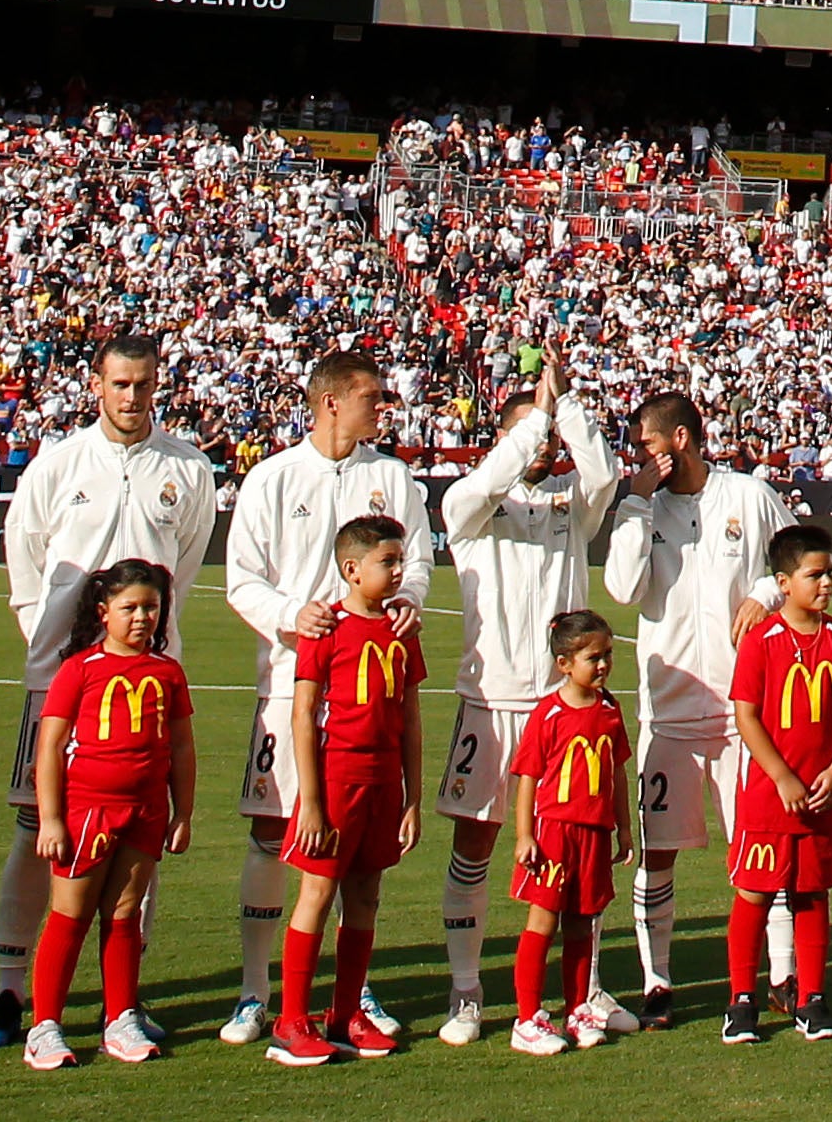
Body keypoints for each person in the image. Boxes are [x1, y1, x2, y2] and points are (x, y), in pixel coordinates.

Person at [0, 334, 218, 1059]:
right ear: (96, 385)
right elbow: (26, 563)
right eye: (120, 383)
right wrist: (47, 643)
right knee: (36, 829)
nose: (132, 396)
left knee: (141, 840)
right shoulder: (59, 463)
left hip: (143, 685)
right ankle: (11, 993)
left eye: (143, 384)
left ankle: (123, 1001)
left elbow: (184, 569)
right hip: (60, 682)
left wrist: (147, 643)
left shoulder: (187, 467)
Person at [218, 351, 423, 1048]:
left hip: (370, 694)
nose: (382, 407)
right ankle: (256, 991)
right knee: (275, 832)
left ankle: (349, 994)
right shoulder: (273, 477)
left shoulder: (392, 478)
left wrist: (407, 600)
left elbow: (418, 565)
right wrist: (291, 614)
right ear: (331, 401)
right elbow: (241, 577)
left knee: (356, 855)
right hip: (292, 684)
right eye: (372, 396)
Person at [432, 354, 624, 1043]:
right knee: (476, 844)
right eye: (529, 435)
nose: (542, 446)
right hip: (492, 703)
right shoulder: (470, 505)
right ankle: (465, 992)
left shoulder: (572, 503)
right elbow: (489, 480)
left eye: (548, 438)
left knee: (582, 852)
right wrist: (535, 419)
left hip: (566, 707)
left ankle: (584, 994)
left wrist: (563, 404)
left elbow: (605, 473)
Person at [601, 383, 796, 1023]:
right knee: (657, 851)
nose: (639, 455)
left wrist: (765, 591)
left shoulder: (747, 495)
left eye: (646, 445)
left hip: (745, 712)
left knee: (761, 847)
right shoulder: (642, 508)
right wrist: (634, 504)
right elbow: (623, 589)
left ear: (679, 440)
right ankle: (657, 981)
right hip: (670, 713)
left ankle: (782, 973)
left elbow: (798, 556)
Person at [270, 513, 433, 1063]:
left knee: (365, 895)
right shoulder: (325, 629)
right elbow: (303, 714)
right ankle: (291, 1019)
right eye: (387, 561)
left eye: (400, 560)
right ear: (351, 569)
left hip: (384, 782)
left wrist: (412, 798)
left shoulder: (401, 631)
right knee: (317, 894)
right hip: (338, 778)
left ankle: (344, 1015)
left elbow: (410, 719)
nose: (398, 571)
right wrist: (311, 803)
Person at [23, 557, 193, 1069]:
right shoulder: (79, 669)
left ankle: (120, 1018)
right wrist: (52, 819)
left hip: (145, 812)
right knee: (70, 915)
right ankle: (45, 1026)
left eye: (152, 608)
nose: (142, 618)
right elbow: (50, 746)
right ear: (104, 612)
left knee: (125, 913)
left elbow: (181, 747)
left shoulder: (167, 672)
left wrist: (182, 812)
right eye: (130, 608)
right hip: (87, 811)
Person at [723, 521, 832, 1046]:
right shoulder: (761, 641)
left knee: (811, 893)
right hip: (769, 798)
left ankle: (811, 999)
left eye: (830, 573)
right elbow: (746, 715)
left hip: (822, 796)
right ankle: (742, 1001)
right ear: (783, 583)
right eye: (814, 575)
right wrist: (782, 776)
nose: (826, 583)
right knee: (755, 894)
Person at [502, 610, 631, 1052]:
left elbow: (616, 772)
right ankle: (527, 1018)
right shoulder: (549, 714)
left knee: (582, 923)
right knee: (543, 920)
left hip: (594, 834)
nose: (603, 665)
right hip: (555, 833)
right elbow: (528, 777)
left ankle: (577, 1009)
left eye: (608, 654)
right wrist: (525, 835)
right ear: (564, 664)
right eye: (593, 657)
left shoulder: (610, 709)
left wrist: (624, 829)